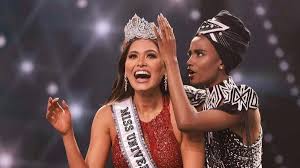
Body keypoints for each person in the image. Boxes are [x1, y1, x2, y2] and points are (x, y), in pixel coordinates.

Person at [46, 14, 205, 168]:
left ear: (164, 68)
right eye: (133, 56)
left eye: (150, 56)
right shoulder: (107, 117)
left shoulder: (183, 116)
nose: (140, 63)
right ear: (125, 68)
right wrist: (67, 135)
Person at [154, 11, 262, 167]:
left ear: (222, 61)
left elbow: (187, 121)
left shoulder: (243, 98)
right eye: (190, 54)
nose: (189, 61)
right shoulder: (199, 97)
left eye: (199, 54)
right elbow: (154, 88)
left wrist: (171, 59)